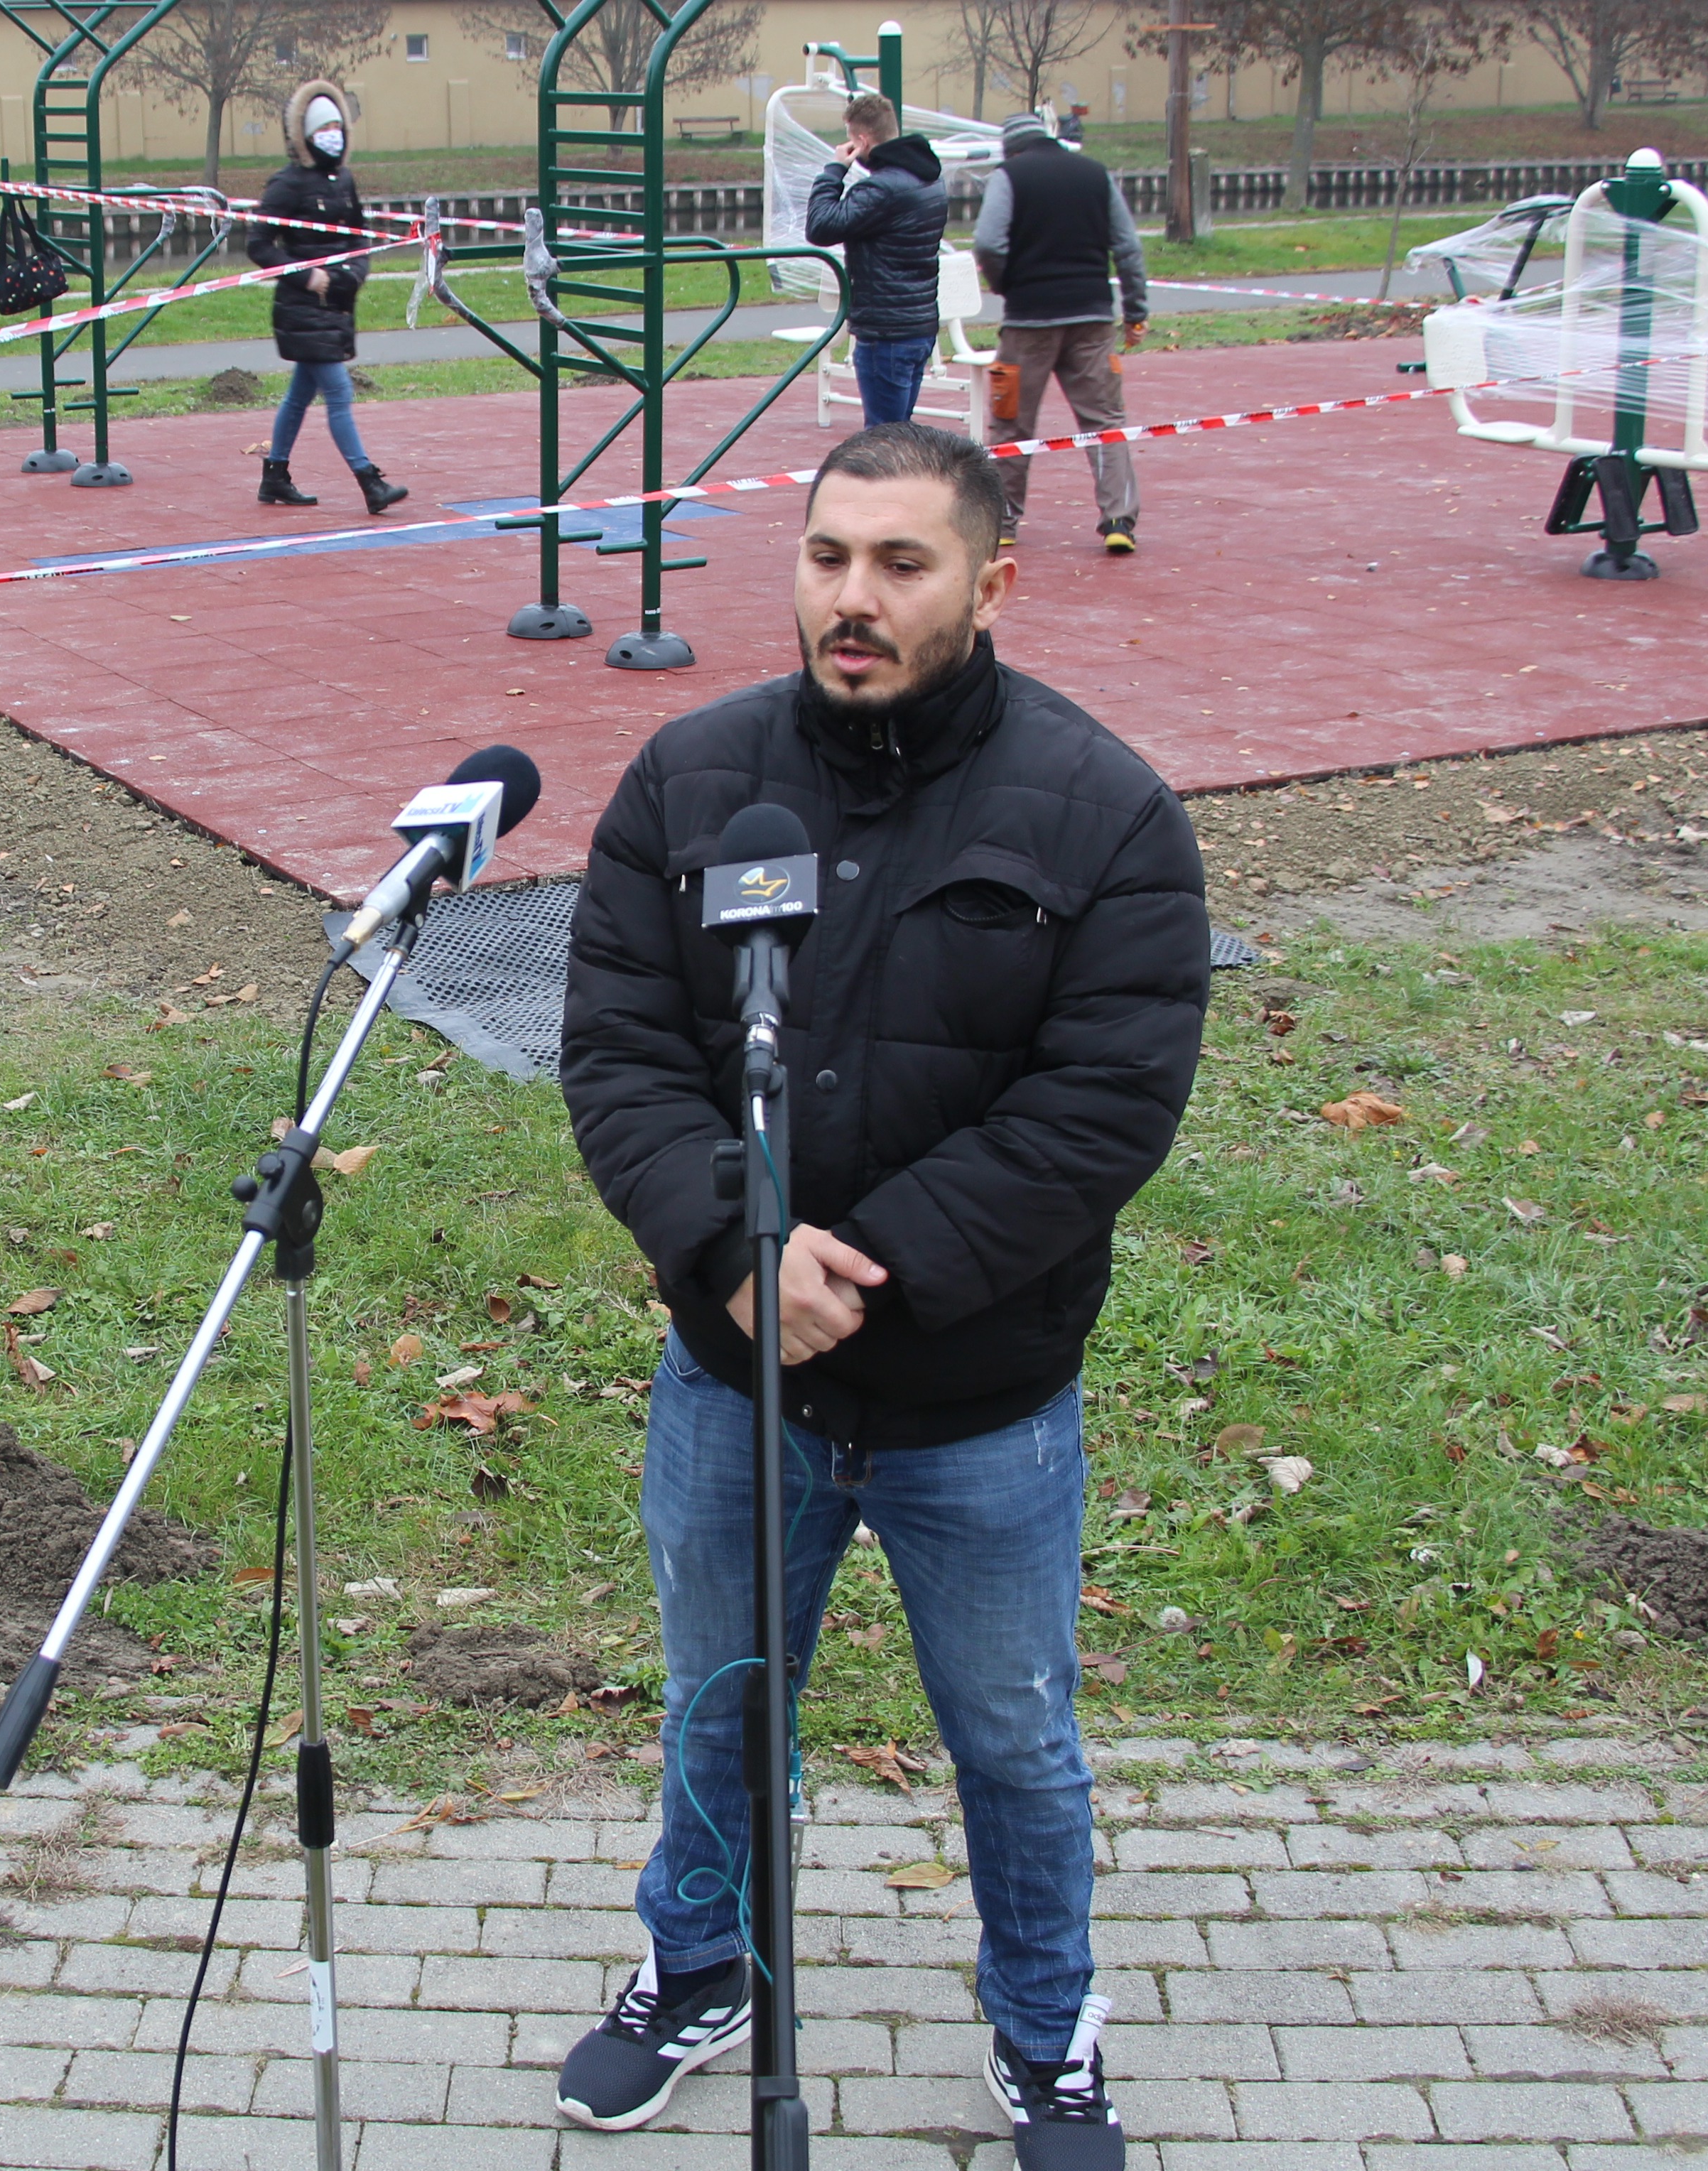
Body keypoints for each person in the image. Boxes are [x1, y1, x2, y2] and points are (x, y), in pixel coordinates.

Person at [551, 422, 1209, 2171]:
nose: (852, 598)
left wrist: (872, 1263)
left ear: (992, 580)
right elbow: (617, 1046)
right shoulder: (687, 782)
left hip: (977, 1403)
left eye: (899, 563)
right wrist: (732, 1245)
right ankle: (696, 1966)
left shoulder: (1105, 812)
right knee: (719, 1700)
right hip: (729, 1378)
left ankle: (1045, 2033)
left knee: (1011, 1738)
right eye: (827, 555)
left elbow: (1103, 1099)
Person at [971, 110, 1151, 552]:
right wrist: (1135, 311)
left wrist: (1005, 284)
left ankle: (1003, 523)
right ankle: (1118, 521)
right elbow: (1128, 247)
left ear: (1010, 149)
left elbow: (989, 243)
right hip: (1092, 320)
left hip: (1027, 322)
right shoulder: (1095, 174)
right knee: (1106, 421)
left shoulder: (1008, 176)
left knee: (1011, 422)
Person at [249, 80, 410, 516]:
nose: (333, 133)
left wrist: (353, 275)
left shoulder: (344, 181)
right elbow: (259, 245)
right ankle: (369, 482)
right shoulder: (287, 183)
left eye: (340, 125)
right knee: (338, 391)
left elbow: (359, 240)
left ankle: (275, 476)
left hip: (337, 304)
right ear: (306, 134)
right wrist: (308, 278)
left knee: (301, 394)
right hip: (302, 308)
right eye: (325, 127)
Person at [803, 91, 950, 429]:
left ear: (862, 141)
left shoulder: (882, 189)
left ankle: (896, 483)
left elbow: (821, 226)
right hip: (919, 322)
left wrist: (835, 170)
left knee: (883, 437)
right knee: (899, 429)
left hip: (886, 329)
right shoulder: (929, 179)